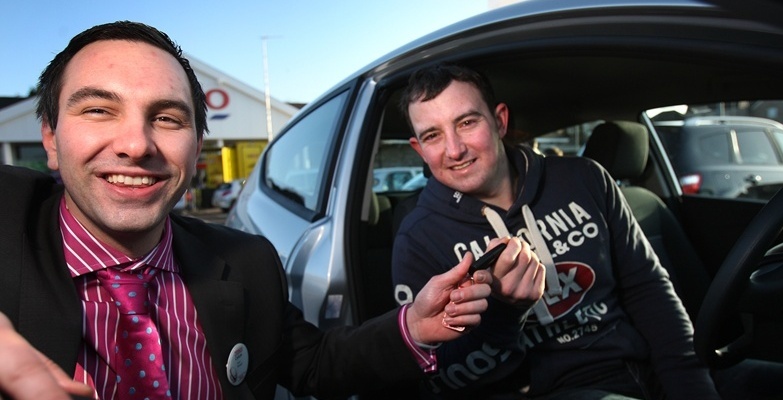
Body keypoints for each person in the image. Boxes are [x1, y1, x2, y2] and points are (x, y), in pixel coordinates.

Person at [0, 22, 495, 400]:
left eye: (167, 118)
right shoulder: (9, 219)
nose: (135, 144)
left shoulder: (249, 260)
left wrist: (414, 327)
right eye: (98, 110)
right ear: (50, 138)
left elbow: (312, 363)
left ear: (196, 150)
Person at [391, 63, 720, 399]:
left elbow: (649, 291)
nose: (455, 149)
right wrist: (504, 314)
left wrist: (693, 386)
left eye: (466, 122)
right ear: (419, 149)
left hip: (647, 370)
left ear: (499, 121)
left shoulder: (585, 178)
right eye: (433, 135)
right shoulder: (417, 239)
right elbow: (444, 377)